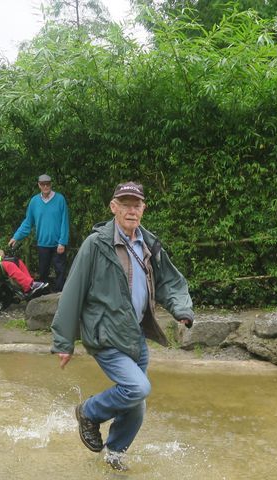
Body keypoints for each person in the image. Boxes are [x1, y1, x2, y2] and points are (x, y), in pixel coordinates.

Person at [51, 182, 194, 471]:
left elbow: (169, 282)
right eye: (124, 203)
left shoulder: (148, 244)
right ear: (113, 207)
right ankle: (88, 412)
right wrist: (64, 342)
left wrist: (181, 309)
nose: (131, 209)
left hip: (135, 336)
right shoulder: (97, 244)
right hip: (105, 334)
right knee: (138, 388)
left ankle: (114, 454)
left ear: (143, 209)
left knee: (136, 405)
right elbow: (73, 291)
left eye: (136, 204)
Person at [8, 174, 69, 291]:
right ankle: (42, 299)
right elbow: (28, 222)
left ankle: (60, 297)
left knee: (60, 272)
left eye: (48, 184)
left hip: (58, 244)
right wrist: (16, 237)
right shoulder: (34, 201)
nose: (46, 186)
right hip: (42, 244)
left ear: (51, 184)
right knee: (43, 273)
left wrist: (62, 242)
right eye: (43, 184)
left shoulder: (60, 199)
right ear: (39, 185)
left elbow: (64, 222)